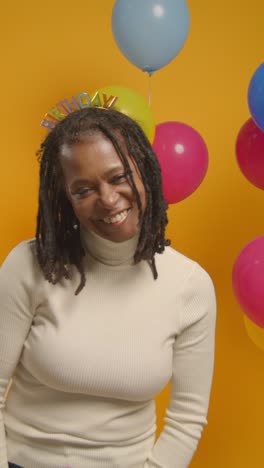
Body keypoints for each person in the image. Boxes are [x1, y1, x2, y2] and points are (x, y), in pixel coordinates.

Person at [0, 107, 217, 468]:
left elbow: (187, 417)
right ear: (66, 200)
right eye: (83, 189)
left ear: (145, 172)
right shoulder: (31, 264)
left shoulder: (189, 285)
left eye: (119, 177)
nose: (108, 199)